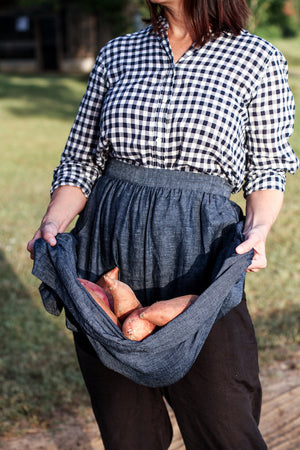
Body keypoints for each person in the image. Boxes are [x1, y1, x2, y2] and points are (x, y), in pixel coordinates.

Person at [27, 0, 299, 448]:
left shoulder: (257, 58)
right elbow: (81, 159)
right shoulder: (118, 53)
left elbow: (267, 167)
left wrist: (259, 230)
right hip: (107, 249)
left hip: (198, 255)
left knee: (224, 418)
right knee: (126, 425)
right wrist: (52, 222)